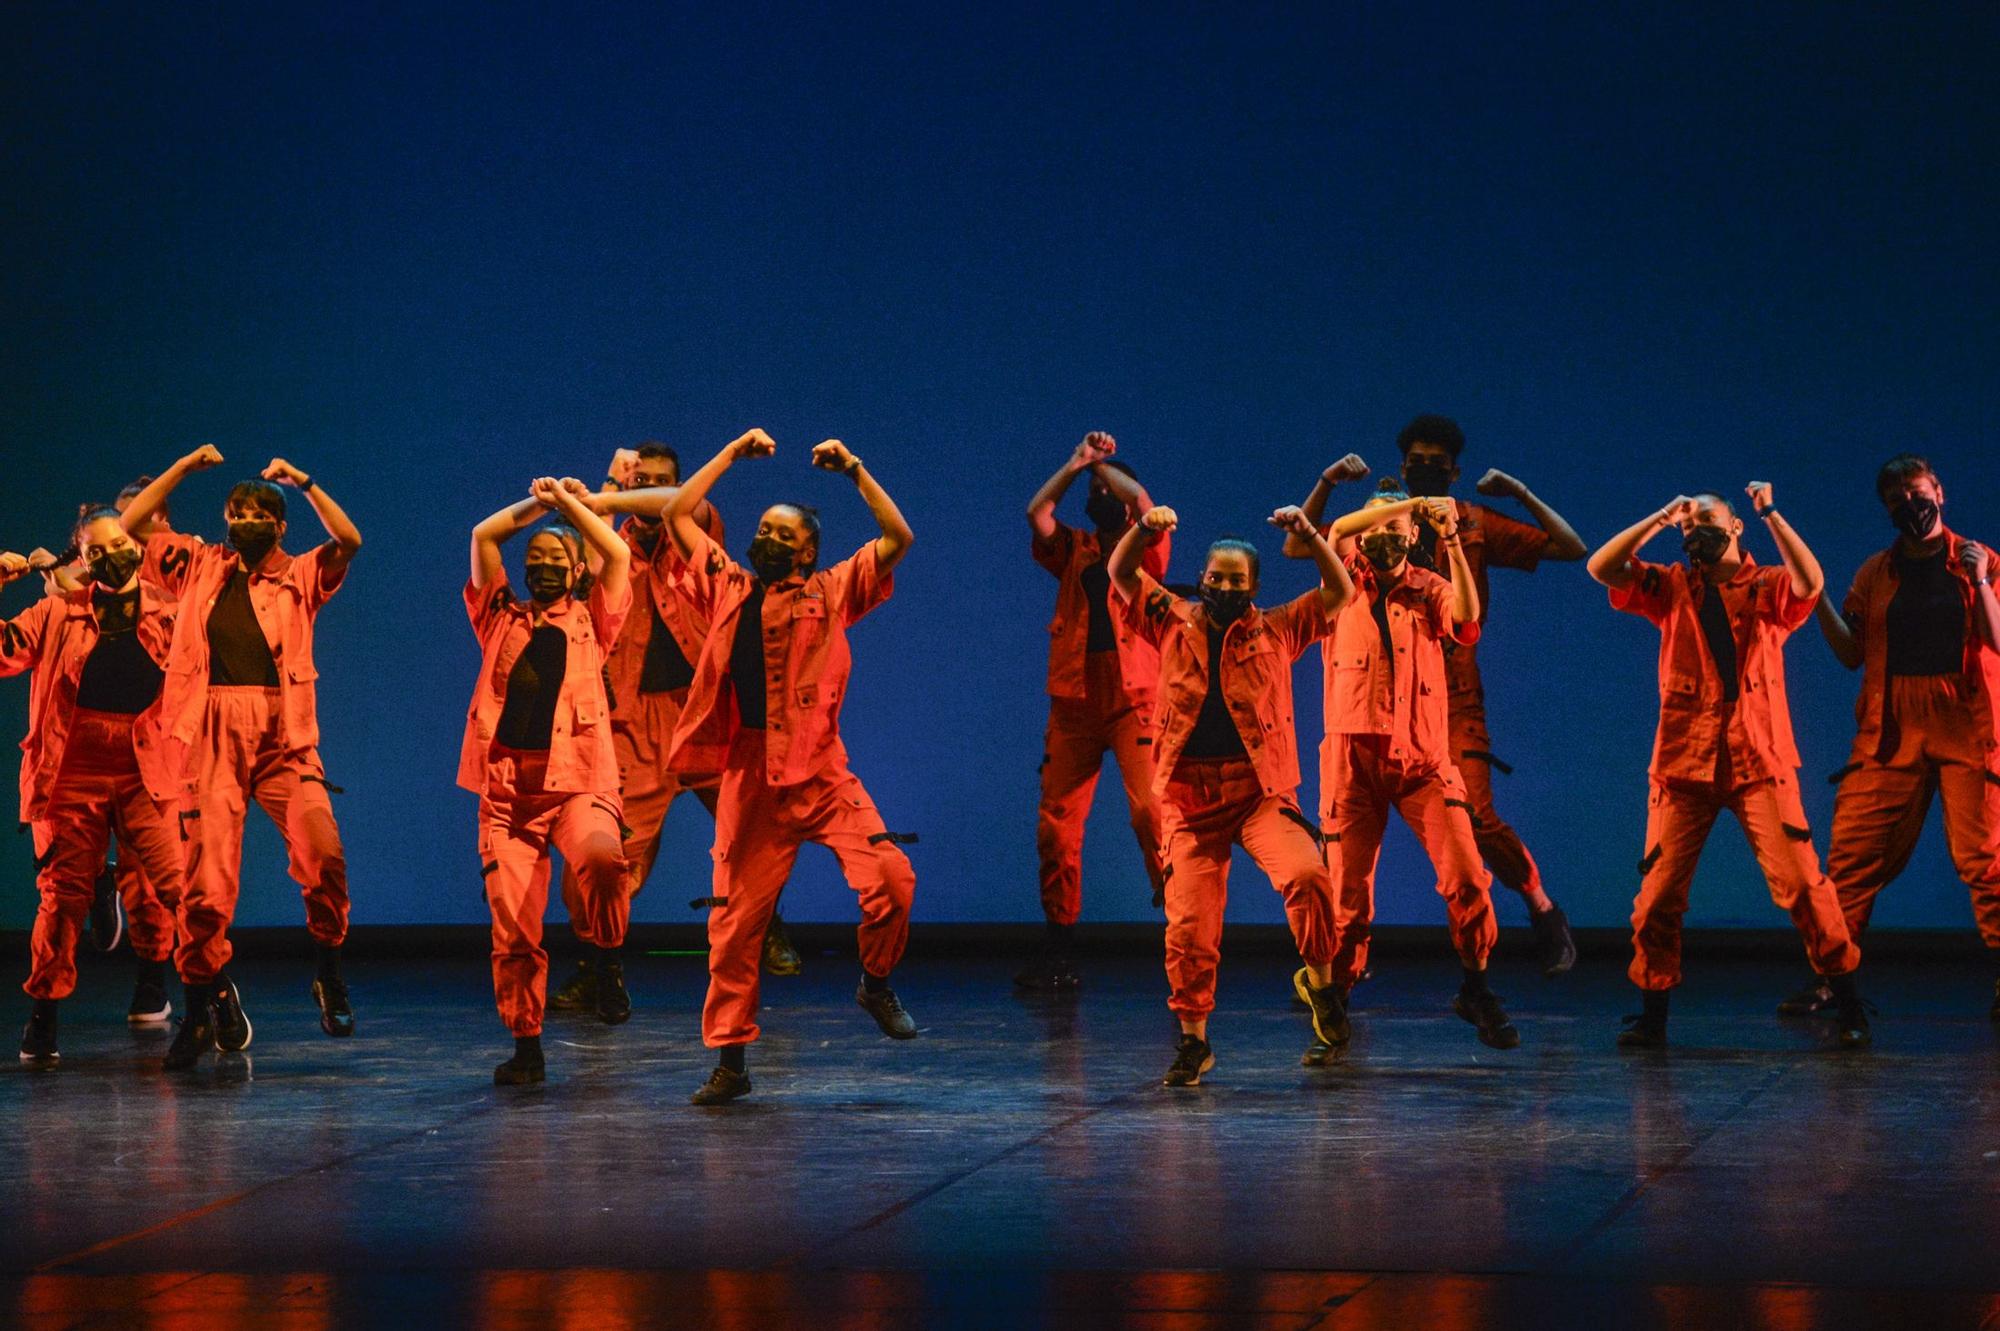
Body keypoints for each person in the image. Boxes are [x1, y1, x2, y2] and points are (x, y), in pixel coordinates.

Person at [661, 430, 918, 1106]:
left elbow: (898, 537)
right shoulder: (729, 588)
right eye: (762, 529)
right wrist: (727, 455)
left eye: (782, 533)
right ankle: (731, 1060)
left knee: (892, 876)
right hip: (750, 778)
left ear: (805, 550)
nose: (765, 539)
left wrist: (856, 468)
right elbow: (677, 516)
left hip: (823, 774)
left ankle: (877, 982)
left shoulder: (832, 591)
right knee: (734, 926)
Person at [1285, 415, 1585, 976]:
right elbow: (1298, 545)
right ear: (1402, 469)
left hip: (1449, 694)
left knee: (1477, 817)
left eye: (1437, 464)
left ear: (1453, 472)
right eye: (1416, 462)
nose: (1426, 471)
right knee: (1350, 843)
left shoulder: (1468, 522)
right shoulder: (1369, 532)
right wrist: (1333, 486)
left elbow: (1569, 547)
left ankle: (1542, 910)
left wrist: (1517, 493)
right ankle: (1346, 961)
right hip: (1372, 699)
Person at [1588, 485, 1869, 1048]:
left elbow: (1811, 582)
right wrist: (1661, 517)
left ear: (1736, 527)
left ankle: (1850, 1003)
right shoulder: (1669, 587)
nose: (1696, 532)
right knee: (1659, 894)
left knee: (1802, 886)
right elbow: (1603, 567)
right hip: (1683, 761)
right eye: (1689, 526)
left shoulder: (1766, 586)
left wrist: (1769, 513)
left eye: (1708, 521)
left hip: (1759, 758)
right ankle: (1654, 1015)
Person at [119, 446, 363, 1069]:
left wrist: (304, 480)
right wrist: (179, 469)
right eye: (235, 511)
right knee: (207, 885)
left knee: (322, 853)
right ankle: (200, 1010)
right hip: (212, 731)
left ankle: (328, 970)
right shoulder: (200, 563)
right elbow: (130, 526)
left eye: (258, 513)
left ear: (279, 525)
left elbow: (349, 538)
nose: (244, 520)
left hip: (284, 734)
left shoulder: (300, 574)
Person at [544, 446, 806, 1013]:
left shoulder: (693, 528)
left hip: (707, 712)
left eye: (662, 480)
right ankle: (598, 966)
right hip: (634, 722)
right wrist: (607, 482)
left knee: (756, 832)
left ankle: (770, 925)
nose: (652, 488)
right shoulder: (610, 545)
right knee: (609, 857)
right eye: (644, 479)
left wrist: (614, 487)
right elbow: (594, 539)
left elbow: (672, 506)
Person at [1108, 500, 1355, 1085]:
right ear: (1201, 578)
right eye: (1215, 577)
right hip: (1191, 803)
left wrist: (1311, 536)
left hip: (1258, 794)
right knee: (1189, 928)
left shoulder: (1278, 628)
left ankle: (1320, 984)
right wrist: (1144, 529)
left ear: (1254, 587)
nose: (1222, 586)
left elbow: (1339, 592)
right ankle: (1194, 1041)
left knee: (1309, 877)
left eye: (1236, 580)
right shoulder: (1171, 619)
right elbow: (1121, 573)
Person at [1290, 482, 1520, 1055]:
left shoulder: (1431, 588)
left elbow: (1467, 620)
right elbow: (1338, 531)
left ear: (1413, 538)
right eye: (1377, 529)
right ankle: (1334, 1003)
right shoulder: (1342, 583)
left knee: (1467, 878)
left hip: (1422, 761)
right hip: (1351, 763)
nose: (1382, 538)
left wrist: (1453, 544)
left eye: (1395, 531)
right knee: (1347, 897)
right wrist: (1407, 507)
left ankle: (1475, 987)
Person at [1778, 455, 2000, 1020]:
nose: (1910, 504)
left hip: (1964, 723)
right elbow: (1852, 652)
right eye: (1897, 499)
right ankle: (1832, 976)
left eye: (1917, 492)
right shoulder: (1876, 572)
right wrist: (1817, 598)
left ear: (1940, 493)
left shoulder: (1981, 561)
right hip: (1891, 726)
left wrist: (1979, 579)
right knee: (1851, 858)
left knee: (1984, 858)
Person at [463, 477, 635, 1084]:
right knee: (512, 927)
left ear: (577, 570)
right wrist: (537, 506)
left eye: (555, 560)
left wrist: (570, 508)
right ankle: (527, 1045)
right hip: (509, 793)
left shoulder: (595, 619)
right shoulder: (498, 616)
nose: (540, 569)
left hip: (579, 782)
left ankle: (606, 961)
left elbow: (616, 555)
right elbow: (485, 535)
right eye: (533, 560)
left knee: (604, 863)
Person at [1, 510, 187, 1064]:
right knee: (60, 897)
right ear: (81, 562)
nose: (111, 555)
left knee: (166, 883)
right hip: (71, 764)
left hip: (144, 760)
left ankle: (182, 991)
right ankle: (44, 1015)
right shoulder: (57, 610)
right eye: (96, 551)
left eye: (119, 543)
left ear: (135, 543)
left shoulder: (169, 610)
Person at [1019, 431, 1168, 989]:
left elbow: (1146, 507)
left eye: (1108, 488)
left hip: (1135, 696)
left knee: (1151, 813)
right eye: (1093, 489)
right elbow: (1038, 512)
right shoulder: (1075, 549)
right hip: (1075, 696)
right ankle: (1059, 948)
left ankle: (1184, 925)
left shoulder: (1146, 545)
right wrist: (1076, 461)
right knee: (1056, 827)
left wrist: (1104, 468)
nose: (1099, 495)